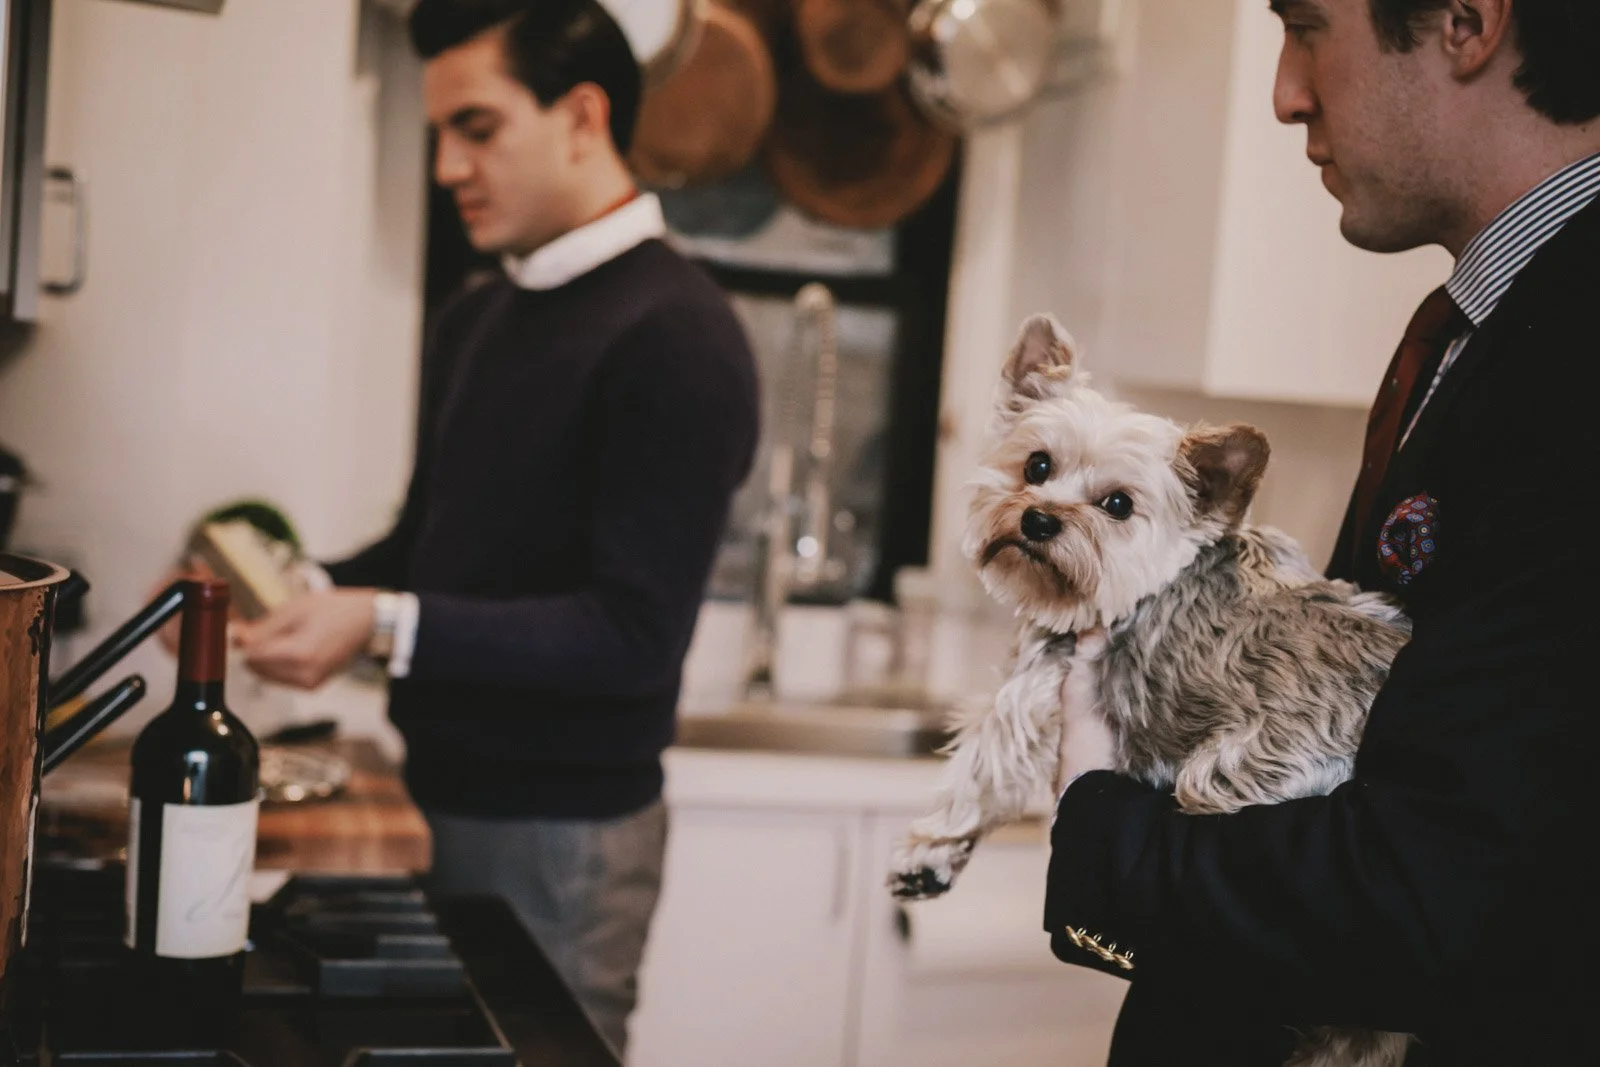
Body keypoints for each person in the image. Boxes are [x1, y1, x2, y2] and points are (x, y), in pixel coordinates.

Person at [1043, 1, 1600, 1063]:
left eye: (1306, 27)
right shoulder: (1498, 322)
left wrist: (1099, 810)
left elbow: (1439, 888)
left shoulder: (1576, 357)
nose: (1284, 92)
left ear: (1465, 22)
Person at [234, 0, 760, 1054]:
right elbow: (426, 546)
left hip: (563, 841)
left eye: (476, 128)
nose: (446, 168)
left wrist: (380, 622)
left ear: (580, 115)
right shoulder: (480, 313)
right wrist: (267, 587)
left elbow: (629, 635)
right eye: (439, 135)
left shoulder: (679, 333)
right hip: (432, 797)